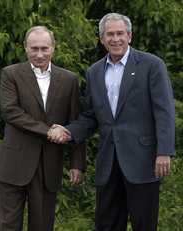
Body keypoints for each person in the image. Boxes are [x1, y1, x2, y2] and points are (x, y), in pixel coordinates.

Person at [48, 13, 175, 231]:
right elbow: (90, 116)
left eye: (120, 33)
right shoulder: (94, 72)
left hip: (143, 161)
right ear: (102, 39)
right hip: (108, 162)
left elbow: (164, 111)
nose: (115, 39)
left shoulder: (152, 65)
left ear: (130, 36)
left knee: (144, 225)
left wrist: (164, 151)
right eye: (110, 34)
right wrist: (69, 131)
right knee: (106, 225)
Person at [0, 26, 85, 231]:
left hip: (49, 164)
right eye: (34, 48)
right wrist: (48, 131)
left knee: (43, 226)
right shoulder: (11, 74)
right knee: (8, 226)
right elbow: (11, 112)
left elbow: (76, 121)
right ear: (25, 48)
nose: (40, 54)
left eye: (45, 48)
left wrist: (77, 163)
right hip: (14, 164)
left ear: (53, 48)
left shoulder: (69, 80)